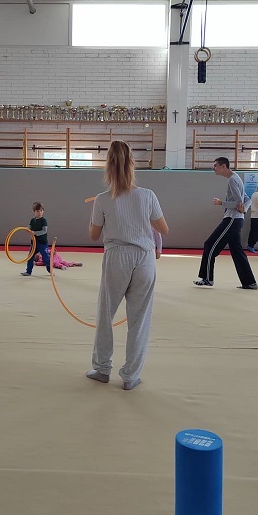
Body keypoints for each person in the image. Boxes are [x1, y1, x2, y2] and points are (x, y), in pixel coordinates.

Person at [87, 140, 169, 390]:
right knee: (139, 319)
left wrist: (96, 220)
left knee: (106, 315)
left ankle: (102, 368)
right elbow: (163, 228)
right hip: (144, 258)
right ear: (132, 163)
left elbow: (94, 235)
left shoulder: (102, 199)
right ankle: (131, 375)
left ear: (108, 166)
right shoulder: (147, 195)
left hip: (117, 257)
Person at [194, 157, 258, 290]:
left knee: (209, 245)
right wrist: (244, 209)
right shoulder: (236, 178)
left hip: (232, 219)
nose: (214, 168)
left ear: (223, 166)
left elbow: (238, 203)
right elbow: (247, 200)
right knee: (237, 252)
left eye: (215, 166)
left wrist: (221, 203)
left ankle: (207, 278)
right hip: (237, 219)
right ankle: (250, 282)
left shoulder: (233, 180)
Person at [21, 202, 51, 276]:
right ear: (34, 212)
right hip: (34, 243)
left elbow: (44, 231)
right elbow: (29, 227)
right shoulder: (32, 220)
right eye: (37, 211)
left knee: (45, 258)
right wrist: (27, 229)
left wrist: (35, 233)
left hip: (42, 243)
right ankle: (28, 271)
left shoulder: (43, 220)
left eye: (41, 211)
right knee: (30, 257)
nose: (39, 212)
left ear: (43, 211)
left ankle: (50, 270)